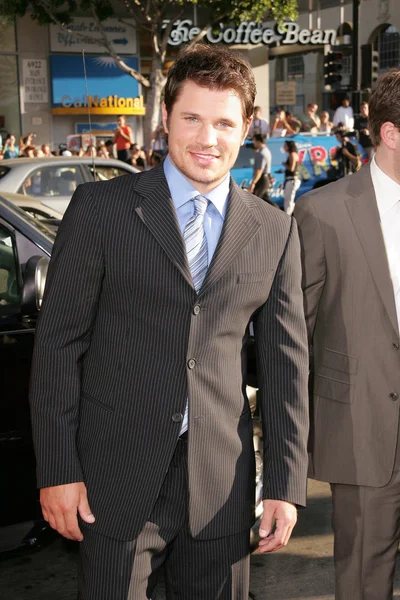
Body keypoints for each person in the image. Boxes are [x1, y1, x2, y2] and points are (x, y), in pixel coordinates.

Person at [29, 44, 309, 600]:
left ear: (246, 127)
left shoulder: (273, 230)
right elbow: (59, 347)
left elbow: (285, 366)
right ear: (165, 119)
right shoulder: (100, 209)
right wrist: (57, 469)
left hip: (222, 489)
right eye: (192, 119)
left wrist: (284, 484)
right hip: (113, 481)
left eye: (224, 123)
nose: (208, 139)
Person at [294, 69, 400, 600]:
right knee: (363, 578)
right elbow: (296, 335)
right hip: (361, 427)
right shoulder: (323, 211)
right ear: (390, 133)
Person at [248, 134, 272, 202]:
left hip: (261, 180)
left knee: (256, 201)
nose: (253, 143)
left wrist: (253, 183)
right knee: (266, 201)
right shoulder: (266, 151)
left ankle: (277, 211)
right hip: (266, 178)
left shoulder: (261, 153)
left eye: (254, 141)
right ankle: (276, 211)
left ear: (258, 141)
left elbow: (259, 170)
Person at [283, 140, 301, 215]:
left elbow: (292, 168)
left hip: (292, 180)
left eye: (285, 146)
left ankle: (288, 216)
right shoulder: (295, 154)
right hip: (293, 179)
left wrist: (285, 165)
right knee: (290, 199)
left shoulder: (292, 155)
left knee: (288, 200)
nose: (284, 147)